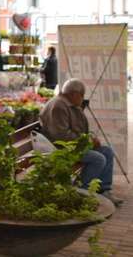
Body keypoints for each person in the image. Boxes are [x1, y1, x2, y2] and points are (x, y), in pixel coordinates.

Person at [39, 78, 124, 206]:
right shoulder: (58, 106)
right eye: (82, 95)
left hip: (74, 145)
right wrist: (87, 142)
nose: (83, 98)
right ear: (74, 94)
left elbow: (79, 129)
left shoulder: (68, 104)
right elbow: (61, 136)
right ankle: (82, 192)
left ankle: (103, 190)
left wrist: (90, 138)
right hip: (61, 149)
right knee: (98, 158)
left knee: (107, 151)